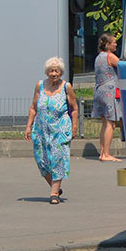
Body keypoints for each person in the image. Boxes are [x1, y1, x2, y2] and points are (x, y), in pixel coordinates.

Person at [25, 57, 78, 204]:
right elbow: (33, 107)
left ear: (61, 72)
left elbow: (74, 108)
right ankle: (55, 186)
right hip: (41, 129)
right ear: (46, 72)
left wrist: (74, 127)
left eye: (57, 71)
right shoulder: (40, 86)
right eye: (51, 71)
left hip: (60, 129)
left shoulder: (66, 86)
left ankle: (54, 193)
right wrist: (28, 126)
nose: (54, 73)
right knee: (41, 161)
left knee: (57, 159)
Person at [91, 33, 123, 162]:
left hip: (100, 90)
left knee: (105, 123)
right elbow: (124, 67)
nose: (116, 44)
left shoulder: (99, 57)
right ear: (107, 44)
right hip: (110, 90)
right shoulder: (110, 56)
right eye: (113, 42)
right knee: (111, 123)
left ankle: (102, 152)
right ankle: (107, 154)